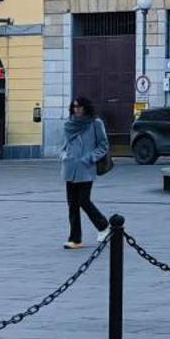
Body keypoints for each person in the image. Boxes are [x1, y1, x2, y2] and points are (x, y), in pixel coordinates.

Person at [61, 96, 111, 250]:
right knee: (72, 204)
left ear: (86, 107)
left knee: (84, 200)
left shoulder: (95, 123)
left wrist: (90, 158)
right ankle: (75, 239)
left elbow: (103, 145)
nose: (77, 109)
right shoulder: (69, 124)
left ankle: (104, 227)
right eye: (74, 107)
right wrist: (64, 156)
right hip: (70, 168)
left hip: (86, 168)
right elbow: (64, 144)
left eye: (80, 106)